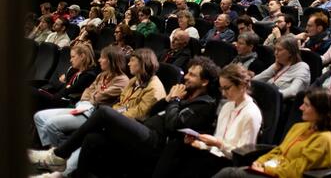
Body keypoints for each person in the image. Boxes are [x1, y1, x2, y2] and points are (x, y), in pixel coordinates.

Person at [29, 57, 219, 178]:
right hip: (145, 129)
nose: (186, 78)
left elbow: (172, 124)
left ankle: (58, 155)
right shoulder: (183, 95)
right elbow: (154, 112)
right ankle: (71, 174)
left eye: (192, 76)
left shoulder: (204, 104)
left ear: (204, 81)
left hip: (157, 143)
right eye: (187, 73)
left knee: (104, 112)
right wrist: (169, 99)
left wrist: (175, 100)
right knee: (94, 138)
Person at [30, 48, 166, 178]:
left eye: (132, 60)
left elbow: (139, 114)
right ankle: (62, 168)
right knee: (90, 137)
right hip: (117, 121)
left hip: (137, 132)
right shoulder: (134, 81)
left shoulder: (153, 87)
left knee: (102, 114)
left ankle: (57, 159)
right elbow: (120, 103)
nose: (128, 63)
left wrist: (113, 117)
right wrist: (114, 114)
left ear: (143, 63)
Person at [157, 63, 263, 178]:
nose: (223, 93)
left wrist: (218, 144)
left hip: (230, 164)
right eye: (222, 88)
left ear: (242, 85)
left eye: (227, 88)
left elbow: (243, 156)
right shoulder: (228, 106)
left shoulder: (251, 114)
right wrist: (200, 144)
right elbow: (217, 142)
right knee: (176, 145)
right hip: (214, 156)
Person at [213, 89, 331, 178]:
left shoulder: (324, 139)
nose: (301, 108)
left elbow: (297, 170)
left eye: (306, 105)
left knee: (229, 174)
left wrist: (267, 169)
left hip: (283, 175)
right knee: (229, 173)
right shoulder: (300, 127)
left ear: (321, 110)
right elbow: (279, 150)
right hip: (271, 169)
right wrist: (260, 162)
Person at [31, 44, 98, 112]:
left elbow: (69, 91)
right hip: (57, 97)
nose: (70, 60)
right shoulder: (74, 70)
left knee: (31, 92)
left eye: (73, 57)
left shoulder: (88, 75)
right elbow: (59, 82)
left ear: (82, 56)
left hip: (66, 103)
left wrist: (63, 85)